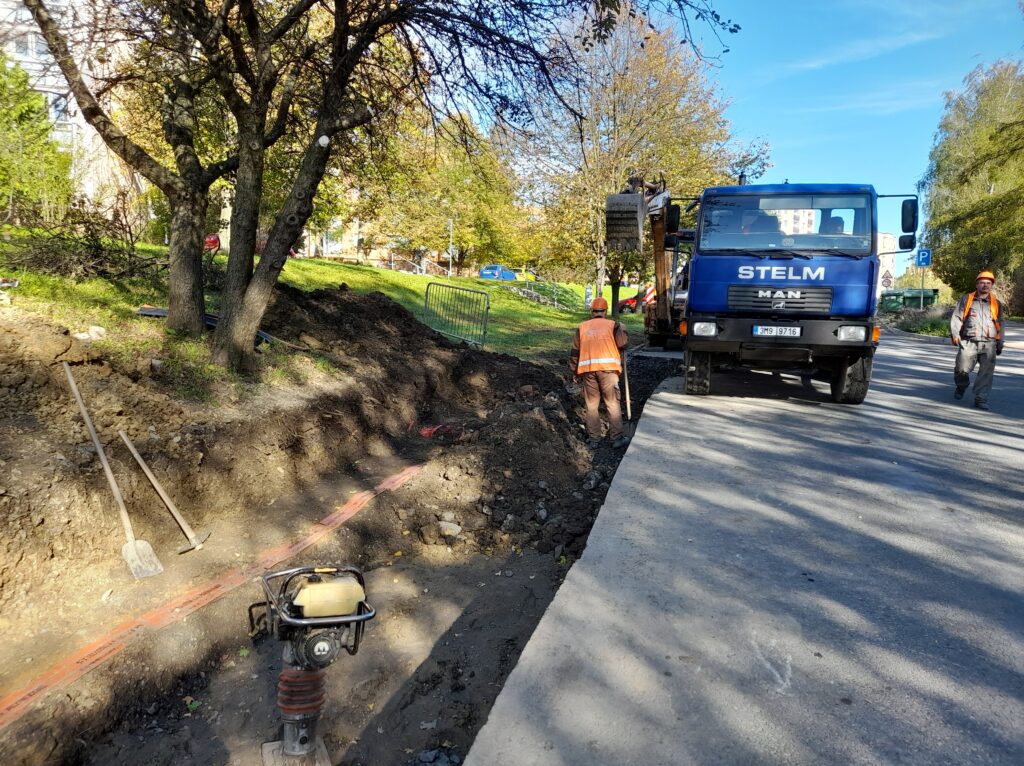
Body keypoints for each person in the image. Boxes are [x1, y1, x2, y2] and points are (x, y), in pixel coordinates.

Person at [569, 297, 630, 448]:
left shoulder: (582, 327)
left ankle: (594, 439)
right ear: (605, 311)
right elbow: (623, 344)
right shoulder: (614, 325)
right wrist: (623, 331)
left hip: (588, 372)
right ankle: (616, 439)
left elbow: (575, 351)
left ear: (592, 312)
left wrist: (574, 371)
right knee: (612, 402)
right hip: (609, 371)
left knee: (591, 405)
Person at [950, 270, 1004, 410]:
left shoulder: (996, 303)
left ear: (991, 285)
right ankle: (961, 386)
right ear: (977, 284)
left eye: (988, 283)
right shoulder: (966, 299)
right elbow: (957, 317)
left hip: (989, 343)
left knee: (986, 373)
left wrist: (1000, 341)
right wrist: (955, 333)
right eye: (982, 283)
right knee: (961, 369)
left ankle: (981, 398)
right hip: (969, 341)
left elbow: (1001, 323)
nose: (985, 285)